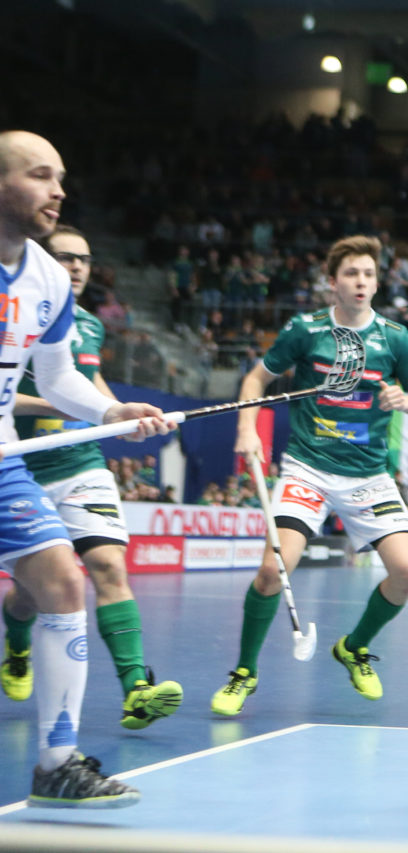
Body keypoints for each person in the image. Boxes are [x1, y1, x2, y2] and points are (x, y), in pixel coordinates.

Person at [0, 131, 172, 807]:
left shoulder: (45, 276)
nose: (58, 190)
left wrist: (108, 410)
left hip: (5, 455)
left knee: (63, 581)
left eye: (61, 177)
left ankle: (57, 762)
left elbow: (59, 373)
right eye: (41, 176)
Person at [211, 235, 408, 715]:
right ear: (332, 282)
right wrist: (247, 428)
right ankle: (244, 673)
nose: (361, 282)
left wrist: (405, 401)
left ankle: (354, 647)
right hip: (308, 468)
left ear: (377, 283)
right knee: (273, 570)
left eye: (369, 274)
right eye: (352, 273)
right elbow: (257, 379)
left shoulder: (394, 337)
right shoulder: (306, 330)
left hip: (368, 476)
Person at [5, 225, 183, 733]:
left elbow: (90, 386)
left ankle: (136, 690)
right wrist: (55, 404)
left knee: (107, 566)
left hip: (81, 464)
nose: (77, 267)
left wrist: (120, 416)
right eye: (65, 256)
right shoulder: (15, 309)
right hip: (22, 467)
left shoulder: (89, 326)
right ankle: (17, 642)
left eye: (84, 259)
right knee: (32, 593)